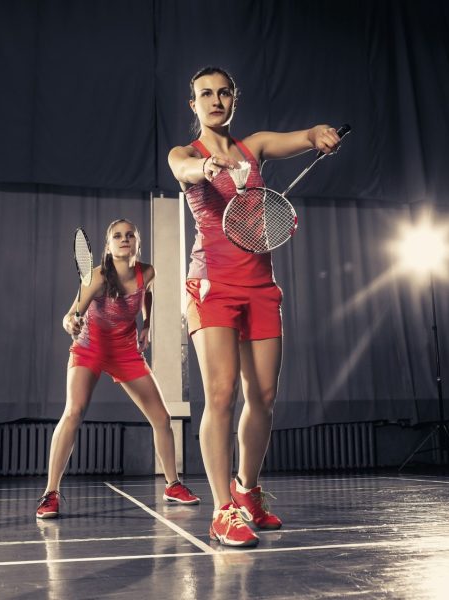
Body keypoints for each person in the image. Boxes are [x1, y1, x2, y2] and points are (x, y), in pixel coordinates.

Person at [168, 66, 342, 546]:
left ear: (234, 100)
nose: (216, 100)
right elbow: (182, 169)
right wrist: (202, 170)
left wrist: (318, 134)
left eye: (224, 93)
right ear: (194, 104)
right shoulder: (185, 153)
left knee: (263, 396)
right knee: (221, 395)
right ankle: (223, 510)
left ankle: (247, 491)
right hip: (212, 286)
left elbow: (302, 137)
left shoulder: (255, 146)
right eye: (206, 94)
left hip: (261, 285)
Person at [36, 219, 199, 518]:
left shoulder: (147, 272)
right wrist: (72, 322)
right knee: (73, 412)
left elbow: (147, 294)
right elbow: (70, 315)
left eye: (130, 235)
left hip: (126, 351)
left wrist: (147, 326)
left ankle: (172, 485)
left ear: (138, 243)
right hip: (90, 348)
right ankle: (51, 493)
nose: (124, 239)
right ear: (108, 246)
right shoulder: (97, 277)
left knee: (162, 417)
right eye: (117, 236)